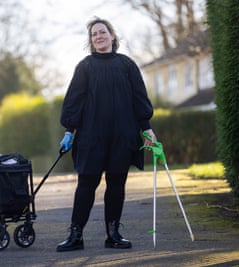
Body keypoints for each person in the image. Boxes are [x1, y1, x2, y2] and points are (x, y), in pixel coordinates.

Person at [56, 17, 157, 252]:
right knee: (86, 185)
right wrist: (69, 131)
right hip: (92, 137)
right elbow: (74, 100)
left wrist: (147, 127)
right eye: (94, 34)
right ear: (91, 41)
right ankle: (75, 235)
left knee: (116, 185)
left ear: (112, 36)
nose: (98, 36)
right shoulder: (85, 67)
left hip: (122, 135)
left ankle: (113, 234)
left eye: (102, 32)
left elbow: (139, 98)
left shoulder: (127, 65)